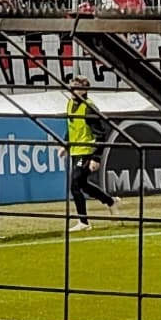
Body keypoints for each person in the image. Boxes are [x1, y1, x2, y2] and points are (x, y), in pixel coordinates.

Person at [65, 77, 119, 231]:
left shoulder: (89, 108)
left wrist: (96, 157)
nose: (73, 89)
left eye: (76, 87)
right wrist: (66, 143)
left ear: (85, 89)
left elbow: (101, 134)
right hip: (76, 150)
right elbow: (72, 126)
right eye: (72, 86)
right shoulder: (70, 103)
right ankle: (110, 201)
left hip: (87, 151)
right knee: (83, 185)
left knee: (74, 185)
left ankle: (84, 222)